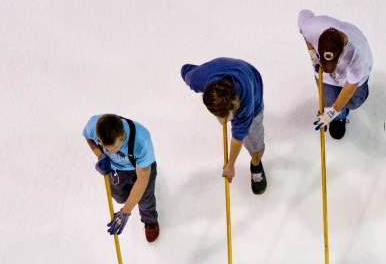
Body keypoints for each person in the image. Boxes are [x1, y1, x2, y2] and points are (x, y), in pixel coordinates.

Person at [181, 58, 267, 195]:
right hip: (220, 83)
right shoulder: (197, 79)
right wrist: (204, 70)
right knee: (224, 119)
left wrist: (230, 165)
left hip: (251, 83)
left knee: (254, 143)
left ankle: (256, 163)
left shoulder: (247, 101)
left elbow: (237, 137)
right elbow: (185, 69)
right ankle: (224, 114)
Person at [297, 9, 372, 140]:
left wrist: (332, 112)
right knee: (330, 100)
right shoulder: (311, 28)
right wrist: (313, 56)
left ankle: (361, 93)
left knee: (353, 103)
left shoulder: (357, 55)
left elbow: (351, 84)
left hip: (355, 77)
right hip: (328, 74)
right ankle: (339, 118)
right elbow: (304, 16)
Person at [84, 114, 160, 242]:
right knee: (120, 197)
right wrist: (100, 155)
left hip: (140, 169)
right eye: (106, 147)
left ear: (123, 134)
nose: (111, 151)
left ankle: (150, 220)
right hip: (115, 168)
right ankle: (131, 196)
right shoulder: (93, 125)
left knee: (144, 199)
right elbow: (88, 138)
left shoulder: (141, 142)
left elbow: (142, 180)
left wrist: (125, 212)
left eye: (114, 147)